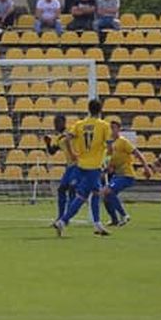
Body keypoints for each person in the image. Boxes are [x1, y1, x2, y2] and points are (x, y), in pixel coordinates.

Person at [51, 100, 112, 237]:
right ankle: (62, 221)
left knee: (97, 192)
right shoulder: (103, 125)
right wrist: (108, 161)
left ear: (89, 109)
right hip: (94, 166)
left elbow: (66, 139)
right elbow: (109, 146)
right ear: (100, 109)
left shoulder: (79, 124)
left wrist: (73, 154)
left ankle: (97, 224)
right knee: (81, 196)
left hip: (80, 163)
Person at [101, 118, 152, 227]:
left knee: (108, 191)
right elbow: (112, 164)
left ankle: (124, 215)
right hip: (117, 175)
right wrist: (106, 169)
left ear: (119, 129)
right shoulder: (109, 146)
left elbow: (137, 153)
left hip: (127, 175)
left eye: (113, 128)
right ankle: (114, 220)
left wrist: (146, 167)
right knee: (106, 197)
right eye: (110, 128)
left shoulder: (123, 141)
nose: (111, 131)